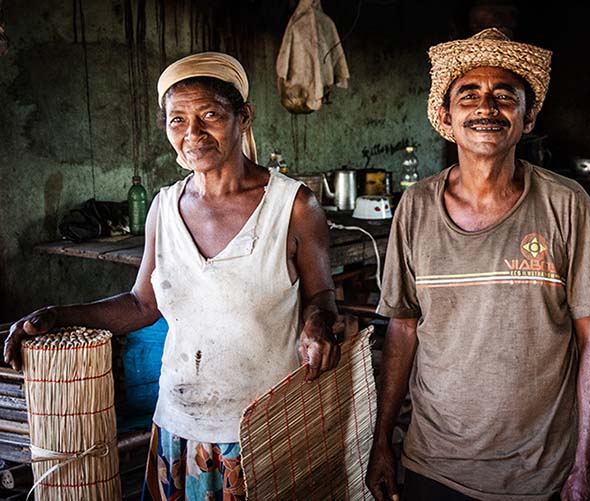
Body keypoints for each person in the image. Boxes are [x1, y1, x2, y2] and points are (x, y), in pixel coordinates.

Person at [4, 52, 341, 500]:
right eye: (177, 120)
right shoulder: (164, 208)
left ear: (243, 117)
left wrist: (318, 322)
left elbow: (322, 294)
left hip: (263, 427)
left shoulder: (292, 206)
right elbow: (142, 304)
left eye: (210, 116)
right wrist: (59, 315)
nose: (192, 134)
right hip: (179, 425)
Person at [366, 28, 590, 501]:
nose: (486, 107)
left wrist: (588, 463)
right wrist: (381, 441)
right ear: (446, 116)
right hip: (434, 464)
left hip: (540, 472)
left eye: (505, 96)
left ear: (528, 118)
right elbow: (402, 329)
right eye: (469, 95)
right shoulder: (416, 207)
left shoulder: (568, 205)